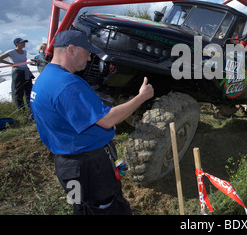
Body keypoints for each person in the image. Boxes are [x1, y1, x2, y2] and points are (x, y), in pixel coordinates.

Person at [30, 30, 154, 215]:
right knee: (108, 208)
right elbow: (108, 120)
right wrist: (141, 97)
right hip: (90, 166)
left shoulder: (44, 79)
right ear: (71, 49)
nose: (89, 59)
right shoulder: (68, 84)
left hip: (66, 166)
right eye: (87, 53)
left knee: (80, 207)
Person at [0, 37, 34, 110]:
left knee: (28, 91)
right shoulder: (11, 51)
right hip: (18, 72)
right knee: (19, 92)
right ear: (17, 44)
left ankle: (30, 110)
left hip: (26, 72)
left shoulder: (24, 51)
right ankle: (21, 110)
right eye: (22, 42)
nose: (24, 44)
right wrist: (11, 64)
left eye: (24, 42)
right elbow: (0, 58)